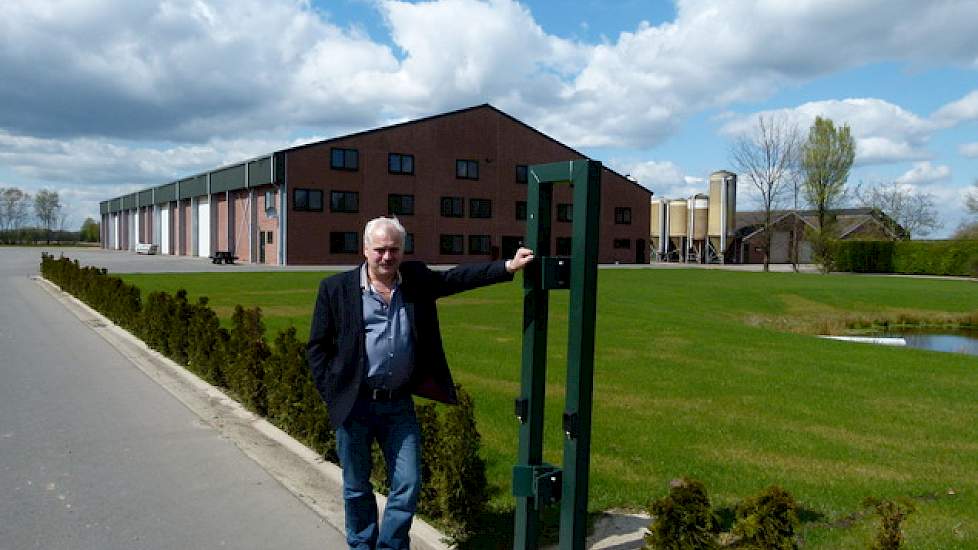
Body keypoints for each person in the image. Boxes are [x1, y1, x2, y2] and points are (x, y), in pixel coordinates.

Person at [307, 216, 534, 550]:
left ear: (403, 250)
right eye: (380, 249)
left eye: (394, 250)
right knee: (356, 486)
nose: (387, 257)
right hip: (353, 404)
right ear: (365, 249)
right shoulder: (336, 289)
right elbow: (317, 347)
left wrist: (508, 267)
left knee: (408, 483)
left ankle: (391, 546)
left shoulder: (414, 279)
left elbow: (456, 279)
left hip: (397, 404)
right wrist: (332, 393)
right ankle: (360, 544)